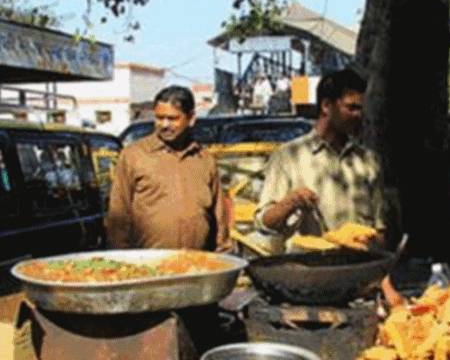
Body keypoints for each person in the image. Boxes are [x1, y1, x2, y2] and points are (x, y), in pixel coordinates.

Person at [255, 67, 386, 251]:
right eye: (351, 108)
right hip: (308, 273)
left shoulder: (368, 162)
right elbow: (265, 223)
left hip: (358, 272)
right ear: (326, 106)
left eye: (361, 109)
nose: (358, 115)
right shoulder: (288, 157)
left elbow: (380, 232)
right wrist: (291, 201)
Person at [106, 85, 230, 252]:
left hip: (197, 265)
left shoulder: (204, 160)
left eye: (172, 118)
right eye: (159, 118)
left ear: (191, 118)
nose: (164, 125)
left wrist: (223, 251)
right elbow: (118, 214)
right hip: (148, 266)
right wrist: (121, 260)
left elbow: (219, 214)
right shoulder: (134, 156)